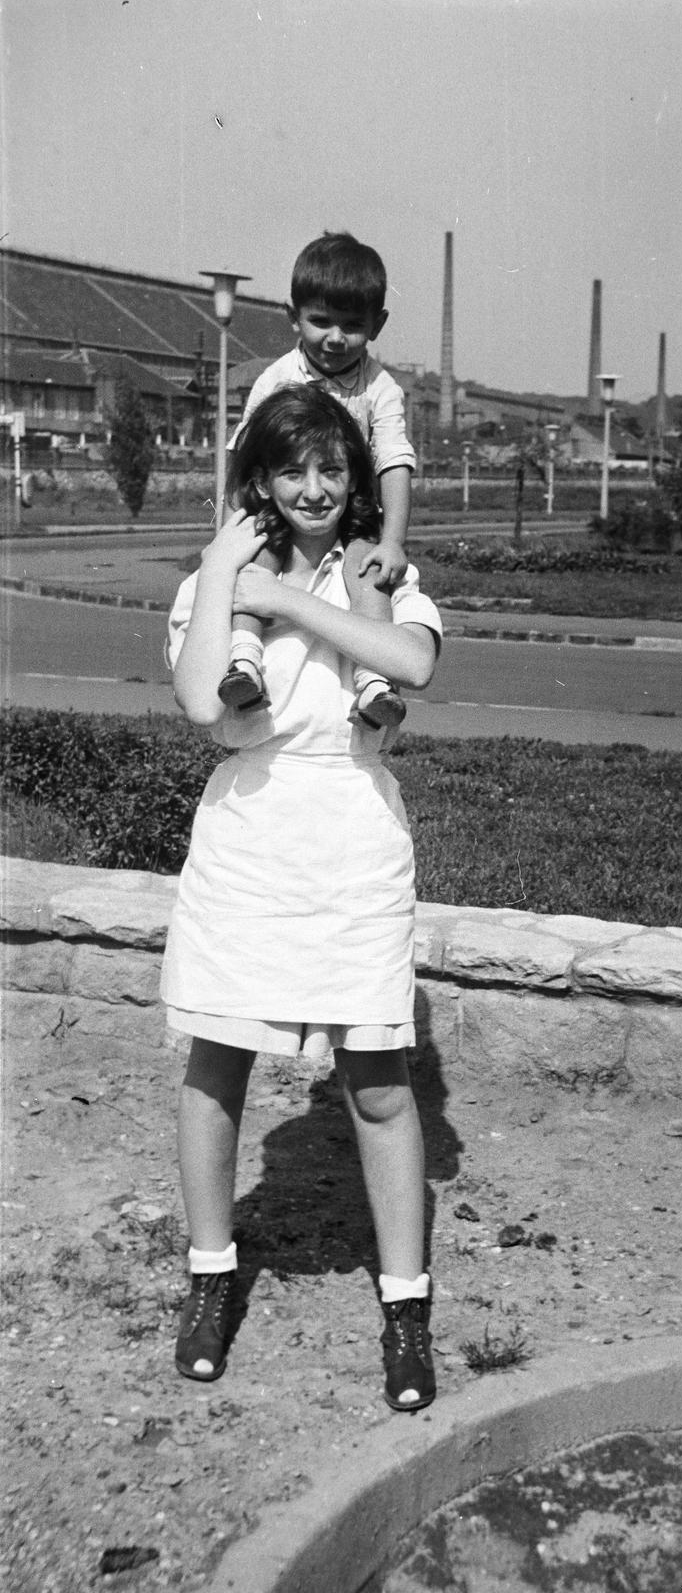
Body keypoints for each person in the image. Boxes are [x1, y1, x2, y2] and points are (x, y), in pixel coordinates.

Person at [160, 383, 441, 1413]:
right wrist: (229, 575)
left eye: (331, 467)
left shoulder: (380, 572)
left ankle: (405, 1309)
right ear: (260, 480)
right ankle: (209, 1276)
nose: (313, 488)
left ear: (355, 475)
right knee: (216, 1068)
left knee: (379, 1084)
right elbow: (203, 701)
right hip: (249, 840)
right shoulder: (220, 574)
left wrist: (286, 603)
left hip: (354, 841)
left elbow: (411, 660)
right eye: (291, 469)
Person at [219, 232, 415, 738]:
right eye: (321, 321)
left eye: (353, 326)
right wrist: (227, 534)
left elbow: (394, 461)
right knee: (257, 567)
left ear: (377, 325)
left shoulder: (380, 388)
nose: (335, 338)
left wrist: (392, 541)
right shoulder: (276, 378)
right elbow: (243, 455)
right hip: (282, 511)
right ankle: (244, 663)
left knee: (367, 572)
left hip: (350, 514)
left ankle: (375, 683)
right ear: (293, 316)